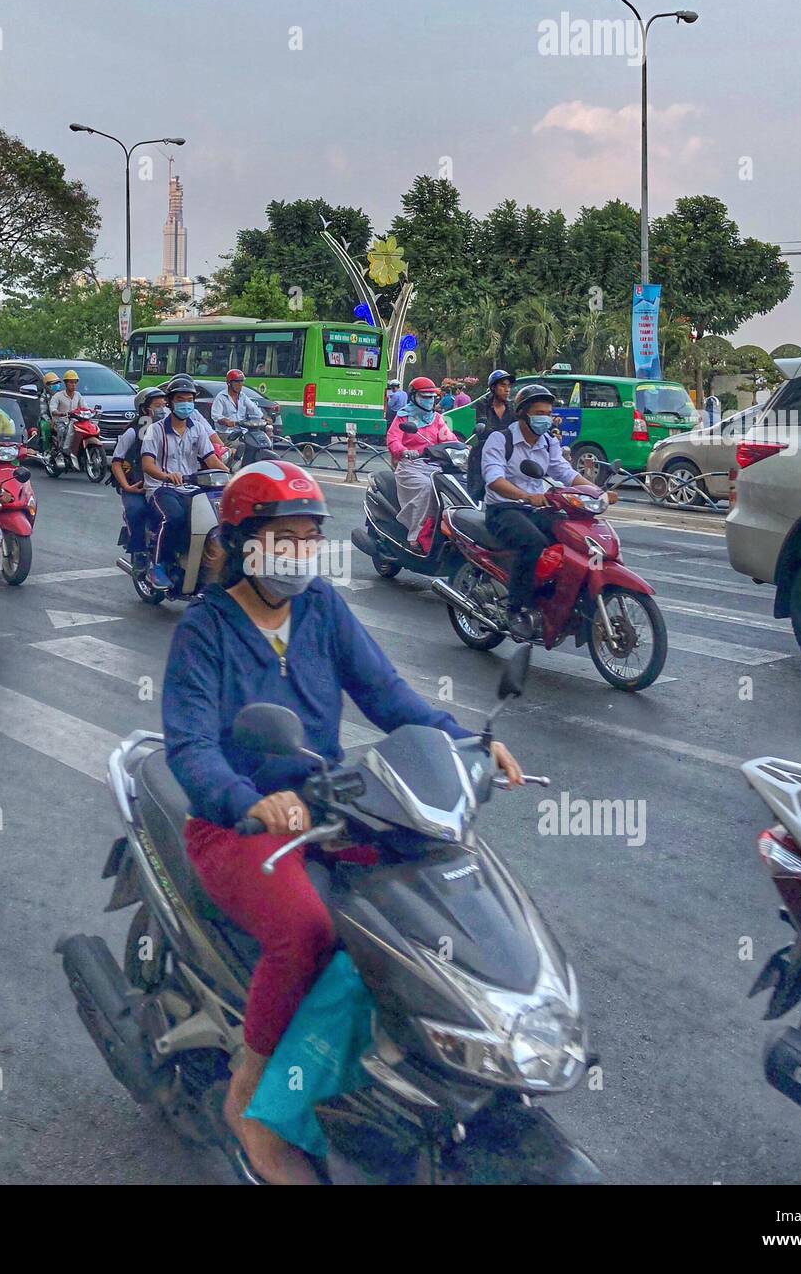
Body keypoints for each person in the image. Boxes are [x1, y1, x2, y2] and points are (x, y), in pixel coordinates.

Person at [163, 461, 525, 1184]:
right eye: (282, 537)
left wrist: (465, 742)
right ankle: (252, 1104)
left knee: (415, 915)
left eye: (308, 537)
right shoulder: (206, 628)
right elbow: (191, 745)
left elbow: (386, 694)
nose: (298, 551)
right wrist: (247, 801)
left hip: (331, 808)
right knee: (308, 931)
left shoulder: (323, 607)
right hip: (240, 829)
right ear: (243, 543)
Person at [481, 382, 618, 636]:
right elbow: (494, 479)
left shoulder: (547, 442)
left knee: (570, 536)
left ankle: (553, 596)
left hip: (537, 508)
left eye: (548, 413)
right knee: (534, 543)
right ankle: (515, 608)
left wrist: (598, 493)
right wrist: (526, 495)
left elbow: (564, 472)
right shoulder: (501, 439)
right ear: (523, 413)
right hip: (504, 509)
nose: (545, 419)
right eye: (539, 414)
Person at [140, 375, 228, 591]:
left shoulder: (197, 428)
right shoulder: (155, 430)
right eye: (181, 399)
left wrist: (230, 473)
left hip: (192, 488)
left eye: (190, 400)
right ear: (170, 402)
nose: (186, 404)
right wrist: (165, 475)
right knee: (174, 518)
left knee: (217, 520)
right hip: (161, 489)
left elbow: (210, 458)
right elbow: (147, 464)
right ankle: (157, 566)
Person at [385, 378, 459, 555]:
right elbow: (393, 439)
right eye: (425, 396)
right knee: (428, 488)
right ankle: (415, 535)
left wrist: (462, 448)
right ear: (414, 397)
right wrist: (404, 451)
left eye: (432, 397)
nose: (429, 400)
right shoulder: (403, 416)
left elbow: (449, 439)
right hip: (411, 466)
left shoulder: (437, 419)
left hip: (435, 466)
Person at [111, 387, 166, 571]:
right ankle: (139, 553)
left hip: (163, 484)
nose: (163, 409)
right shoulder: (135, 431)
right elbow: (116, 462)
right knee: (137, 510)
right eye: (157, 405)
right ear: (144, 409)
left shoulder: (169, 428)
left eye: (165, 405)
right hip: (137, 485)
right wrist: (127, 486)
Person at [210, 368, 266, 437]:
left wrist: (265, 417)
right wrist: (226, 421)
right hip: (227, 433)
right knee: (240, 445)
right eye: (236, 382)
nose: (239, 384)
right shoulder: (221, 397)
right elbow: (216, 416)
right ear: (228, 383)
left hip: (243, 432)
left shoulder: (243, 396)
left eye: (241, 381)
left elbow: (254, 409)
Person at [474, 369, 514, 435]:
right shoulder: (483, 404)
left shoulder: (512, 406)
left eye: (509, 386)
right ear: (493, 387)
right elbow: (483, 426)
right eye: (503, 386)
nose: (507, 390)